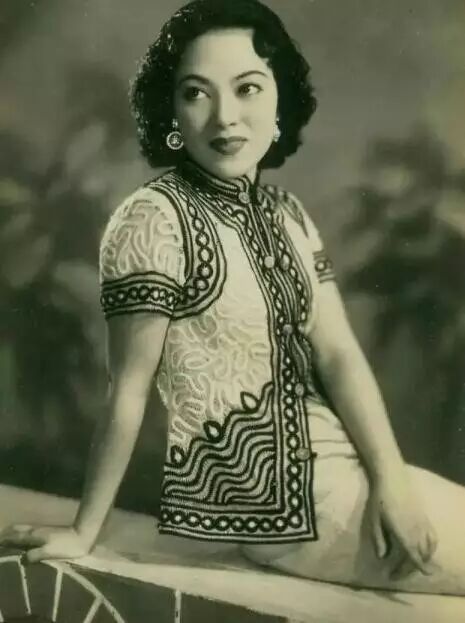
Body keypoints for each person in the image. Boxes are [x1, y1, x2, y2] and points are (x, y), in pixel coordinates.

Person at [2, 0, 465, 597]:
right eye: (196, 93)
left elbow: (340, 355)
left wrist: (391, 480)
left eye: (247, 88)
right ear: (171, 109)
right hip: (286, 509)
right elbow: (129, 388)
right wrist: (83, 532)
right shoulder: (153, 219)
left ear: (280, 103)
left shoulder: (288, 214)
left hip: (351, 473)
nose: (225, 117)